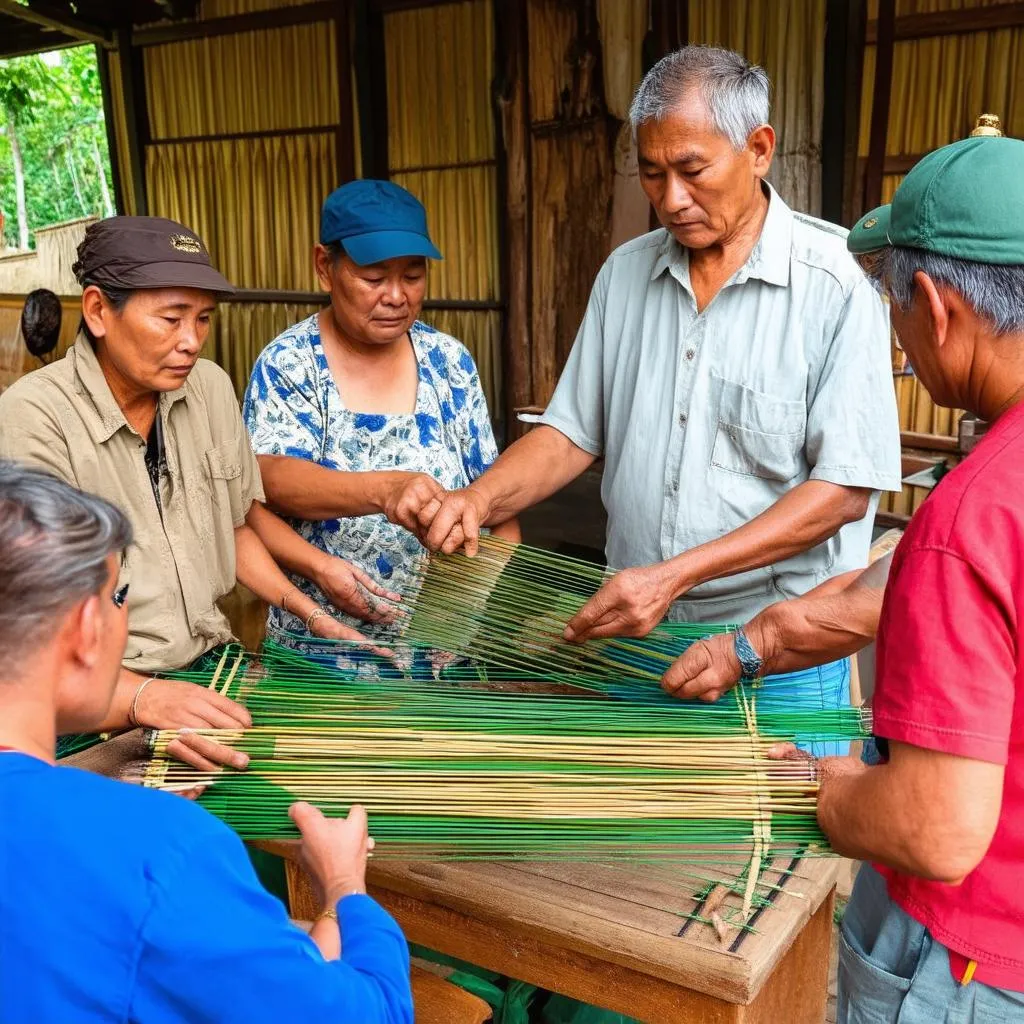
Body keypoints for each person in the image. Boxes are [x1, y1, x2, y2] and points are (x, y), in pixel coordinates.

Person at [404, 46, 900, 721]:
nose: (671, 199)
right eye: (651, 172)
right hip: (634, 640)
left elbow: (841, 493)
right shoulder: (624, 275)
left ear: (758, 149)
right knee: (645, 825)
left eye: (693, 171)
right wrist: (479, 499)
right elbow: (570, 433)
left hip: (773, 650)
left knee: (769, 828)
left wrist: (674, 576)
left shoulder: (836, 287)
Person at [679, 132, 1024, 1020]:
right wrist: (750, 644)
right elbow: (912, 587)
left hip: (967, 959)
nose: (900, 340)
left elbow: (932, 827)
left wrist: (823, 786)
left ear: (936, 306)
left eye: (895, 307)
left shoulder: (975, 511)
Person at [0, 462, 413, 1024]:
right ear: (85, 630)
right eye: (119, 596)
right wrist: (342, 888)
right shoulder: (162, 848)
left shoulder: (143, 843)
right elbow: (371, 1013)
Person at [0, 217, 392, 770]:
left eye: (203, 318)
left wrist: (308, 610)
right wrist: (141, 697)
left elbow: (233, 525)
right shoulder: (34, 417)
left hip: (212, 665)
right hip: (96, 698)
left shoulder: (207, 388)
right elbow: (29, 638)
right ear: (97, 311)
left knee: (341, 760)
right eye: (171, 318)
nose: (191, 341)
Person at [243, 180, 519, 648]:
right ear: (324, 268)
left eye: (412, 276)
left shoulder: (449, 362)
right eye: (374, 277)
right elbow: (265, 483)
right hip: (324, 650)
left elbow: (497, 501)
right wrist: (382, 491)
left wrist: (470, 601)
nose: (396, 295)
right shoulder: (290, 363)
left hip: (442, 658)